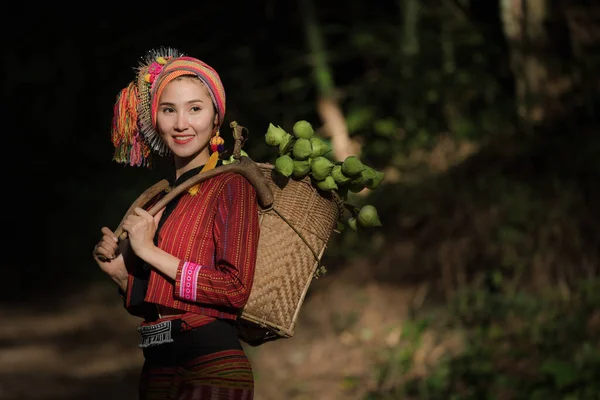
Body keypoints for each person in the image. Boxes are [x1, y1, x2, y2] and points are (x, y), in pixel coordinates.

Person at [92, 47, 260, 399]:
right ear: (156, 119)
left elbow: (234, 288)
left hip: (211, 368)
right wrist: (123, 276)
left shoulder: (231, 184)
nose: (181, 124)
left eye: (195, 109)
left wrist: (148, 251)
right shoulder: (160, 199)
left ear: (216, 118)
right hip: (157, 366)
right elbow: (157, 305)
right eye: (169, 110)